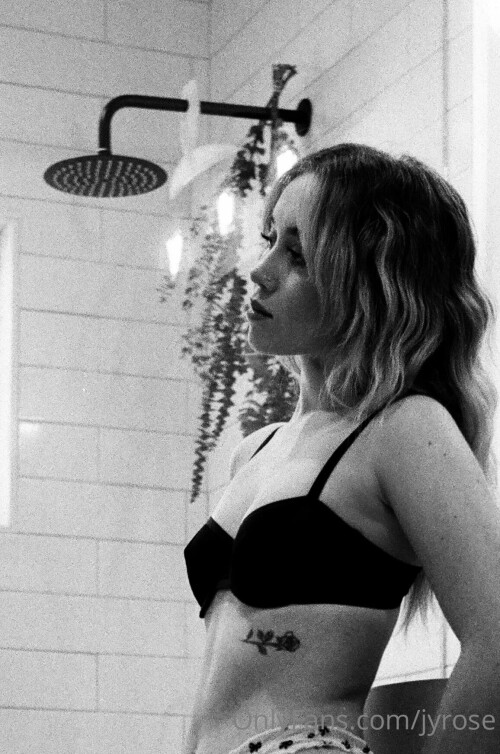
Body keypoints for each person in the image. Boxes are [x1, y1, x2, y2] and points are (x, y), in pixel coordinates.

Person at [183, 144, 500, 754]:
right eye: (271, 239)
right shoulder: (255, 450)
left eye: (297, 255)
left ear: (372, 281)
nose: (260, 271)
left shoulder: (403, 429)